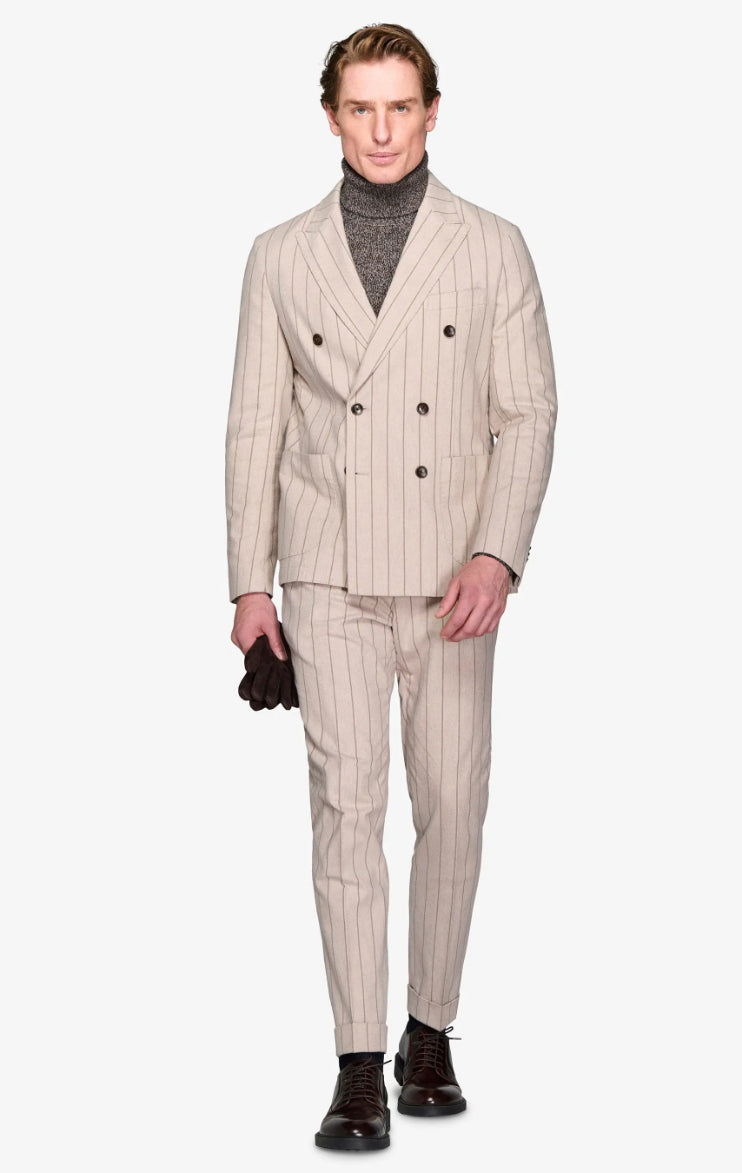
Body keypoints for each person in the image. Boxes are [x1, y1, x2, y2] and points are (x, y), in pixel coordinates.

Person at [224, 22, 557, 1151]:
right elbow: (255, 427)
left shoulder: (492, 245)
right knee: (346, 812)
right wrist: (249, 585)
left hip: (454, 577)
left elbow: (528, 413)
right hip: (328, 568)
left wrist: (496, 553)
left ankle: (430, 1028)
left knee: (453, 804)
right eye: (359, 108)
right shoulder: (280, 254)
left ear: (431, 113)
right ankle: (358, 1061)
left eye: (399, 107)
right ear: (330, 116)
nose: (380, 130)